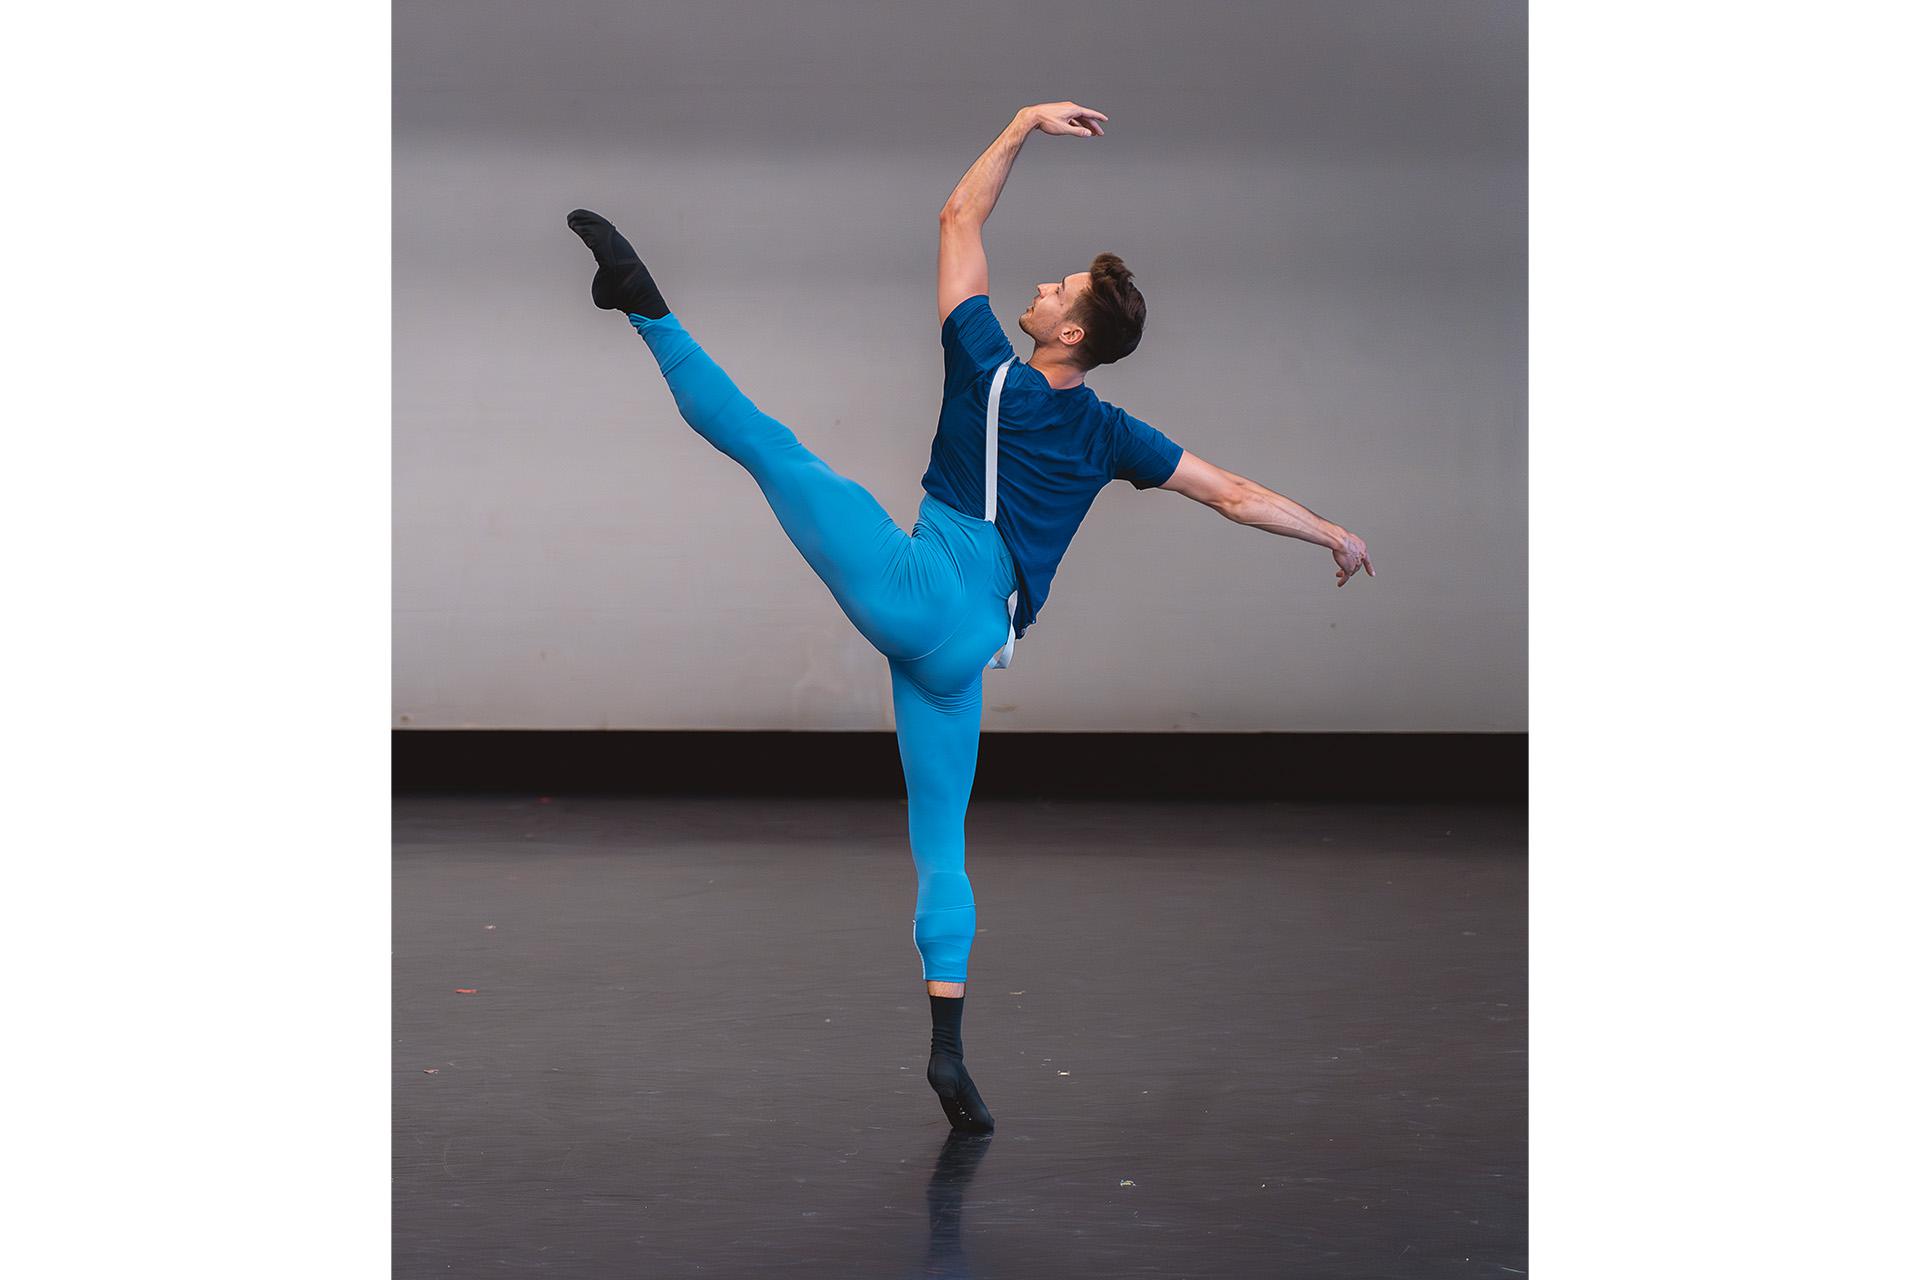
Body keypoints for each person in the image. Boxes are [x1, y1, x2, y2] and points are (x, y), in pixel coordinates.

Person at [565, 100, 1373, 1135]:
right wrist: (1331, 532)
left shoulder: (993, 372)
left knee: (773, 449)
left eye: (1057, 290)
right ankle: (948, 1051)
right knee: (940, 843)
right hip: (971, 647)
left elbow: (958, 218)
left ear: (1068, 334)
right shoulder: (1114, 433)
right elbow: (1232, 493)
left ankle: (640, 304)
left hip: (925, 593)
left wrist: (1023, 124)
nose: (1039, 288)